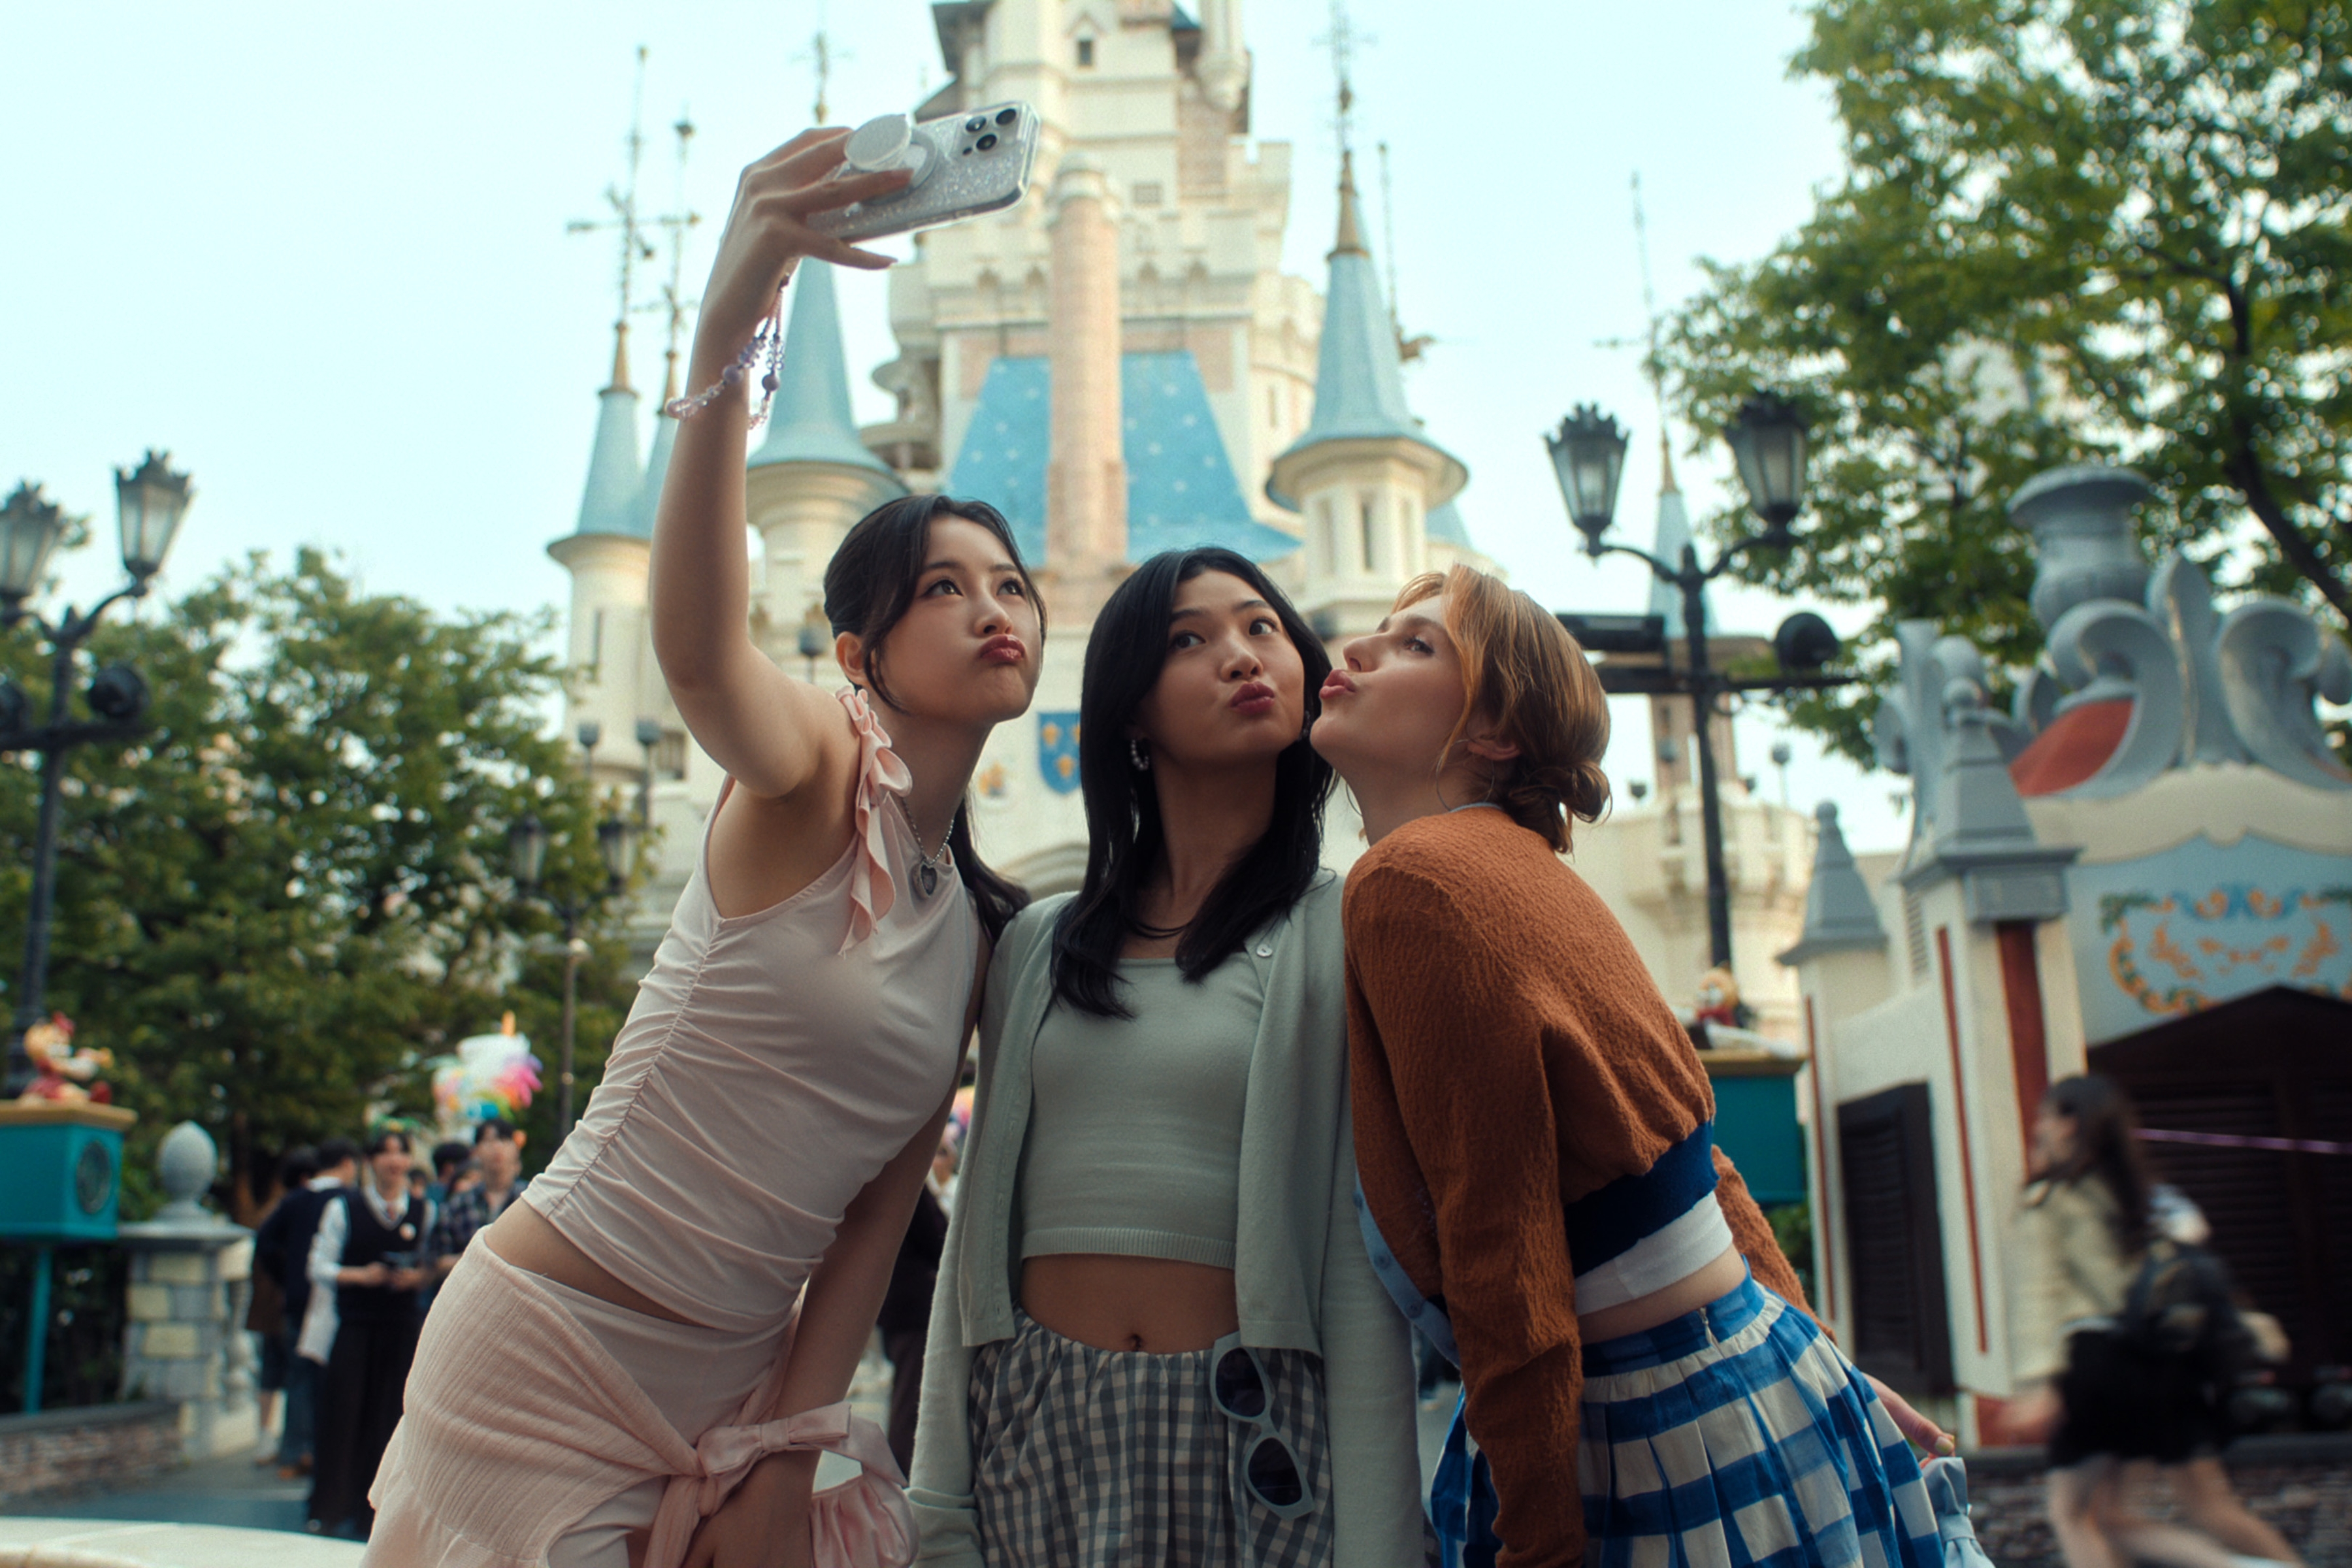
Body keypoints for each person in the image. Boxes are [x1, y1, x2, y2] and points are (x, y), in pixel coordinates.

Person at [363, 125, 1043, 1568]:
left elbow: (874, 1223)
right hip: (549, 1342)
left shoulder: (976, 923)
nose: (997, 609)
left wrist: (791, 1445)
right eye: (944, 587)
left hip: (732, 1387)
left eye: (1012, 584)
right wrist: (734, 320)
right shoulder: (809, 771)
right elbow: (689, 645)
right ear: (860, 652)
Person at [1313, 565, 1949, 1568]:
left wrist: (1540, 1534)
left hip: (1640, 1421)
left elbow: (1499, 1239)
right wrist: (1836, 1365)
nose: (1356, 651)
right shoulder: (1533, 871)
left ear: (1494, 734)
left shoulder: (1413, 881)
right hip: (1760, 1372)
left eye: (1416, 644)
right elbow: (1703, 1159)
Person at [911, 548, 1422, 1567]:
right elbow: (975, 1243)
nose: (1241, 656)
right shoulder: (1038, 945)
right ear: (1130, 715)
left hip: (1251, 1443)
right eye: (1190, 639)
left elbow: (1357, 1271)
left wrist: (1381, 1547)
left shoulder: (1345, 929)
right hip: (1036, 1432)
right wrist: (937, 1507)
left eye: (1262, 627)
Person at [2006, 1075, 2302, 1568]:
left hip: (2098, 1365)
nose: (2038, 1126)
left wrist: (2038, 1380)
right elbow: (2192, 1275)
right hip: (2163, 1366)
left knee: (2074, 1513)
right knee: (2185, 1509)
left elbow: (2040, 1291)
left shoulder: (2051, 1199)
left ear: (2070, 1123)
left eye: (2046, 1117)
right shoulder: (2146, 1198)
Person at [308, 1127, 432, 1537]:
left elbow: (432, 1264)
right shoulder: (345, 1208)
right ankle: (329, 1509)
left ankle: (378, 1514)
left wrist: (415, 1279)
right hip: (356, 1326)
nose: (394, 1161)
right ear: (370, 1161)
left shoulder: (423, 1210)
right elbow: (319, 1266)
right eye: (385, 1153)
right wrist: (362, 1276)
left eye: (401, 1153)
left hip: (401, 1327)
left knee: (391, 1420)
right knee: (342, 1417)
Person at [259, 1135, 357, 1478]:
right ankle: (322, 1453)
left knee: (298, 1375)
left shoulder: (296, 1200)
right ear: (348, 1163)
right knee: (330, 1377)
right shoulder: (349, 1201)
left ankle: (293, 1453)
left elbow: (265, 1242)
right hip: (337, 1299)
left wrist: (286, 1277)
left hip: (298, 1298)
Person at [248, 1146, 317, 1465]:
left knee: (273, 1374)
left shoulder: (276, 1208)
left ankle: (267, 1438)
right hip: (282, 1303)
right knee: (290, 1374)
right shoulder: (295, 1208)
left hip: (269, 1305)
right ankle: (289, 1445)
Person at [427, 1117, 529, 1283]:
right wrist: (480, 1258)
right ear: (476, 1151)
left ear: (516, 1149)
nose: (497, 1147)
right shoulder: (457, 1204)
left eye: (504, 1140)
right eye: (489, 1141)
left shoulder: (530, 1201)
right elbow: (437, 1262)